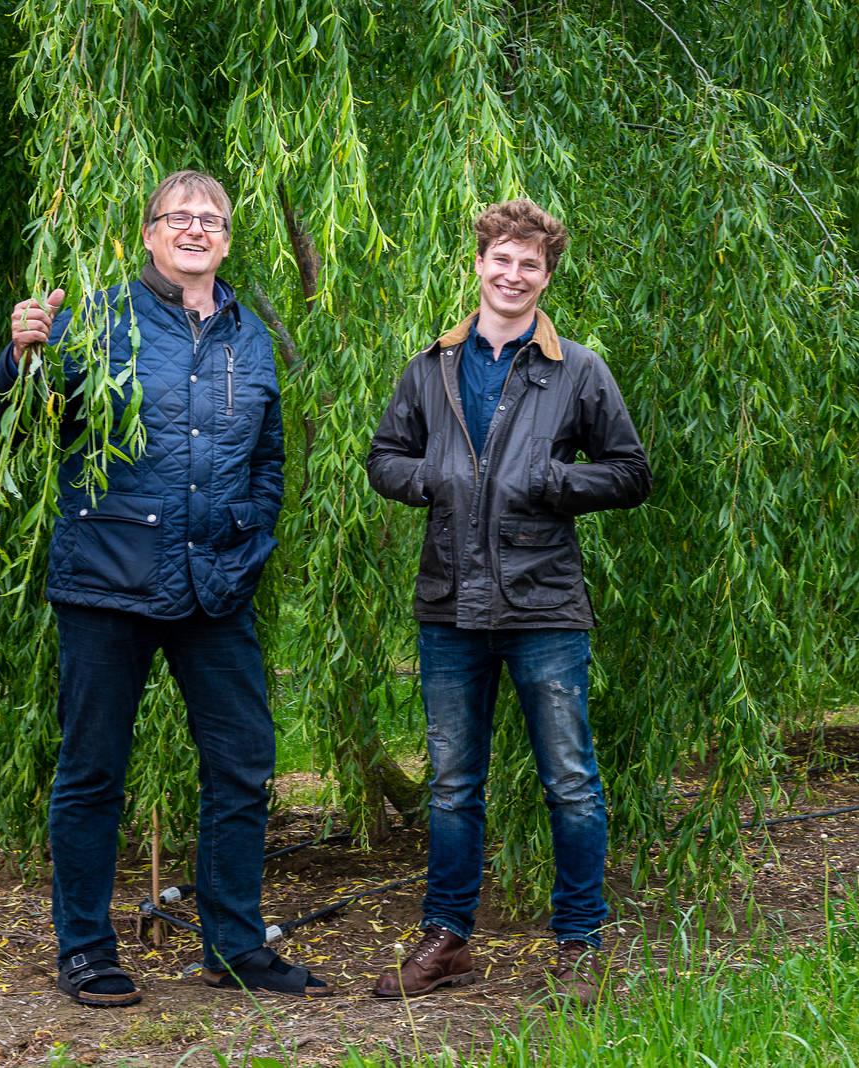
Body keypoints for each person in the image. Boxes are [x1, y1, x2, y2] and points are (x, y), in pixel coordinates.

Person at [0, 170, 332, 1006]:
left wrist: (255, 536)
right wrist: (18, 356)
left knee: (243, 765)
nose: (197, 229)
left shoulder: (250, 335)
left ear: (229, 239)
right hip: (109, 583)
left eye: (212, 219)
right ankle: (87, 950)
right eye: (181, 217)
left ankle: (235, 946)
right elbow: (0, 425)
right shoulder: (92, 320)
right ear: (149, 234)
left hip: (217, 586)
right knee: (93, 769)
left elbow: (268, 456)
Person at [364, 198, 652, 1006]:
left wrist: (552, 481)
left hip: (544, 606)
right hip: (449, 604)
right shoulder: (434, 366)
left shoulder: (578, 369)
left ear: (546, 276)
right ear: (480, 264)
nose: (514, 274)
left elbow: (631, 472)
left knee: (570, 780)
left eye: (531, 264)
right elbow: (384, 458)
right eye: (502, 259)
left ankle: (580, 944)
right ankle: (449, 939)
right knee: (454, 783)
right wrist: (435, 478)